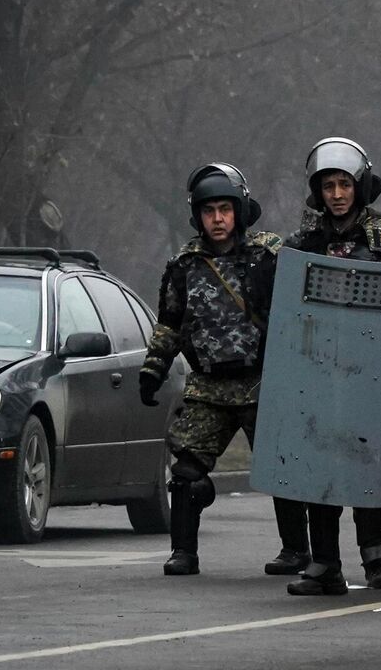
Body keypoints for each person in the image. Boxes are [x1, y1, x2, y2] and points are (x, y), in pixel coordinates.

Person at [277, 137, 381, 597]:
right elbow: (287, 309)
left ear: (360, 186)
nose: (336, 193)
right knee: (321, 459)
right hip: (323, 372)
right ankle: (326, 565)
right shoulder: (303, 244)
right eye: (328, 185)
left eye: (344, 184)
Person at [139, 163, 283, 577]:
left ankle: (295, 550)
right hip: (208, 386)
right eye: (208, 211)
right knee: (185, 470)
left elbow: (294, 313)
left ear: (239, 209)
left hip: (262, 382)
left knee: (282, 469)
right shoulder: (184, 265)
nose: (217, 219)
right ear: (197, 216)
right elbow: (169, 323)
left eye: (224, 209)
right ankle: (183, 551)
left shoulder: (267, 256)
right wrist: (153, 368)